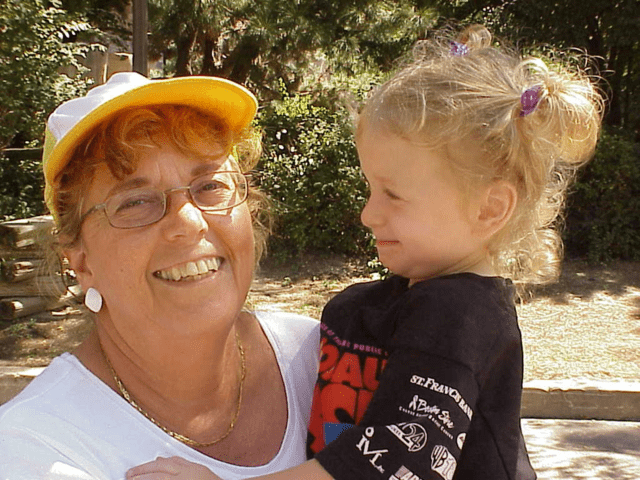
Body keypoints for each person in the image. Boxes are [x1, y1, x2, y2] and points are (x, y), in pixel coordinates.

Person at [127, 25, 603, 480]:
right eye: (370, 189)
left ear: (489, 208)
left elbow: (392, 463)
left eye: (393, 195)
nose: (368, 214)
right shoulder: (405, 302)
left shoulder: (459, 318)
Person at [0, 72, 321, 479]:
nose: (188, 221)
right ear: (80, 260)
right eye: (135, 201)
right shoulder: (35, 449)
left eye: (209, 186)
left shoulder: (326, 358)